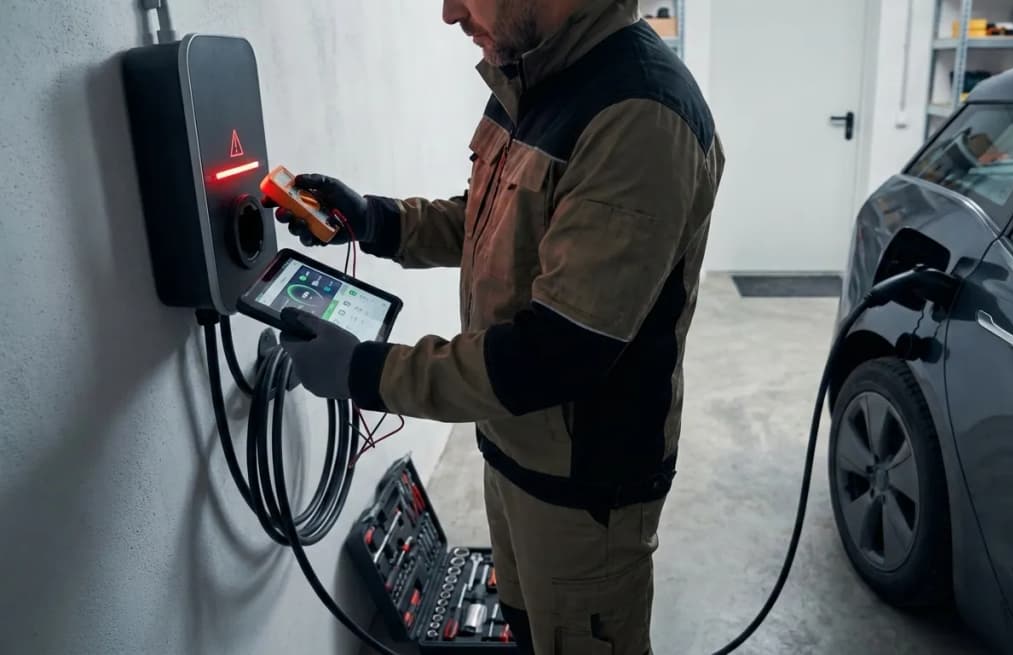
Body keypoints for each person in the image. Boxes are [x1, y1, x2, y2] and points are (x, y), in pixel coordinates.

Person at [272, 1, 723, 652]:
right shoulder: (533, 75)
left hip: (582, 493)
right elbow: (488, 218)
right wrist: (375, 220)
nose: (450, 13)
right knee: (524, 626)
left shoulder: (640, 114)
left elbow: (557, 353)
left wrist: (366, 372)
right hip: (510, 449)